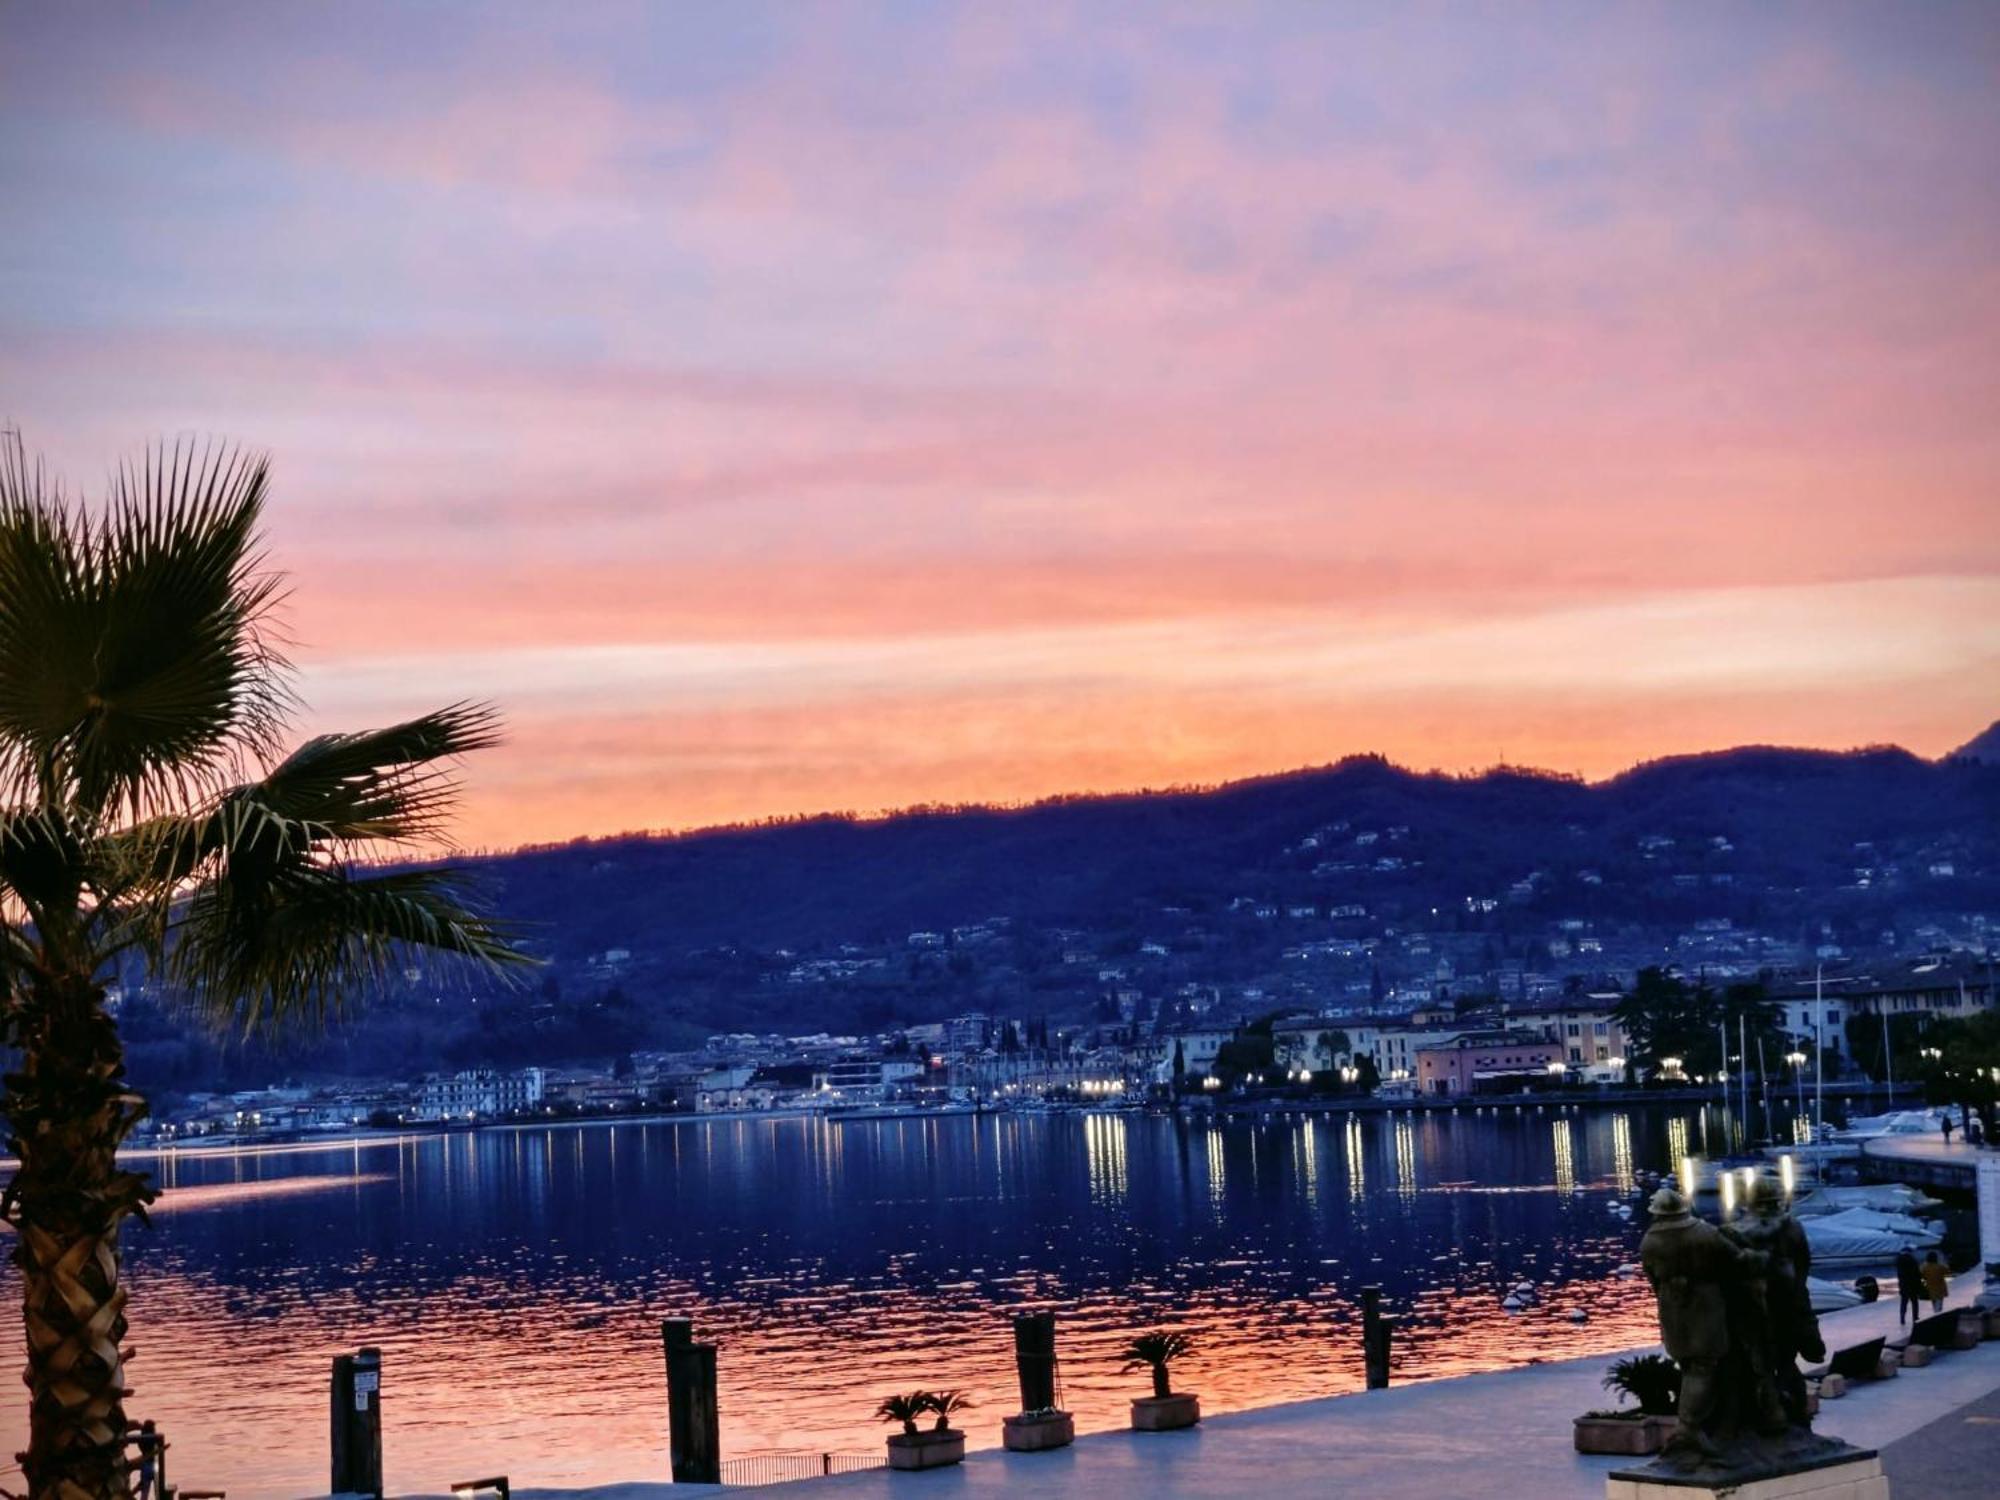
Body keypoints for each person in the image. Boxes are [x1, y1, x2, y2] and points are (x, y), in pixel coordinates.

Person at [1895, 1245, 1924, 1325]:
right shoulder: (1912, 1260)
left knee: (1904, 1302)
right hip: (1913, 1284)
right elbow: (1917, 1273)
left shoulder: (1898, 1260)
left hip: (1903, 1285)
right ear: (1910, 1252)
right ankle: (1915, 1317)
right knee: (1914, 1302)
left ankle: (1902, 1318)